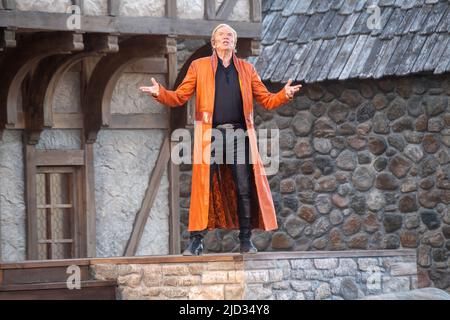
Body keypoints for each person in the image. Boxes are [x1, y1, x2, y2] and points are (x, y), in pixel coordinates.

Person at [140, 24, 301, 255]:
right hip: (210, 135)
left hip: (239, 136)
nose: (226, 38)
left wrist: (283, 95)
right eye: (221, 36)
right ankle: (196, 241)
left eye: (230, 36)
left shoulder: (247, 70)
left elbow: (266, 100)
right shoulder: (199, 66)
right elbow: (179, 97)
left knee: (244, 187)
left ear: (234, 43)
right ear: (213, 43)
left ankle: (246, 240)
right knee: (203, 188)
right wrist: (160, 93)